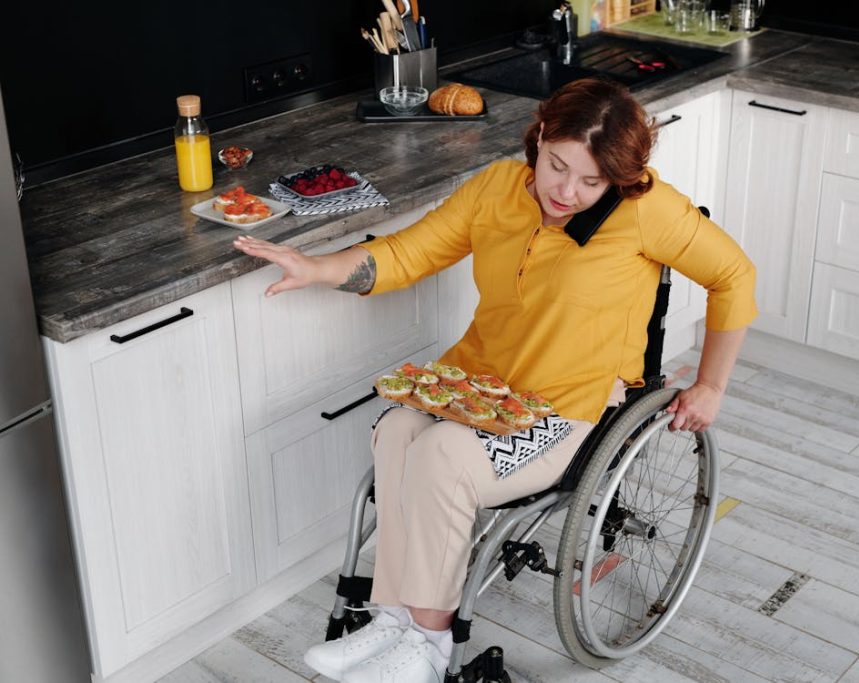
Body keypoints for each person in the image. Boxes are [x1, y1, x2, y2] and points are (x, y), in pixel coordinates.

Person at [232, 77, 756, 683]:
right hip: (480, 384)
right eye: (557, 166)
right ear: (538, 138)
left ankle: (428, 644)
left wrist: (711, 385)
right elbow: (409, 253)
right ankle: (394, 619)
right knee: (398, 427)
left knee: (446, 456)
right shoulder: (496, 191)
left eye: (592, 182)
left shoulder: (647, 211)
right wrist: (318, 267)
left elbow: (734, 276)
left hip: (569, 406)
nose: (566, 192)